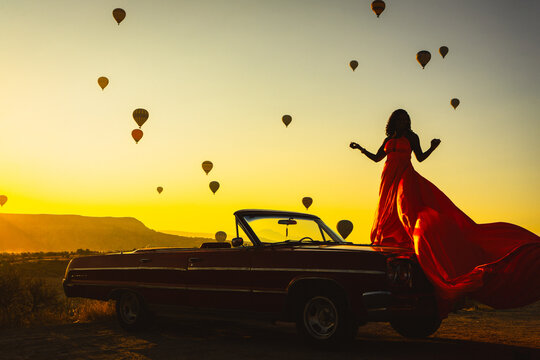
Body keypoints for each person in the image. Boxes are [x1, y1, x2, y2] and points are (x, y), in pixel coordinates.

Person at [350, 109, 539, 317]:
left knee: (405, 208)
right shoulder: (388, 138)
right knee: (386, 213)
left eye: (406, 119)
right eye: (400, 119)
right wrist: (360, 149)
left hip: (405, 176)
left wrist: (432, 148)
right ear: (394, 121)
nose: (403, 121)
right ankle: (392, 243)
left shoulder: (412, 137)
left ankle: (413, 242)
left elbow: (420, 158)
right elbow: (377, 158)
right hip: (387, 178)